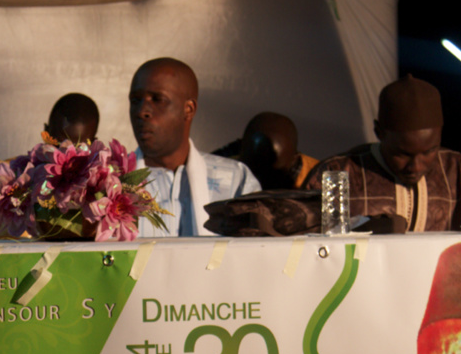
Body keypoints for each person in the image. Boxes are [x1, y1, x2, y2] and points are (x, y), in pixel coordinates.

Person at [304, 75, 461, 232]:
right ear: (379, 132)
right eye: (402, 154)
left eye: (429, 151)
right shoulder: (336, 174)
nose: (415, 166)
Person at [128, 57, 259, 237]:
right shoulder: (110, 183)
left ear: (188, 109)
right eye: (135, 100)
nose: (142, 111)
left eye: (158, 99)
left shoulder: (236, 181)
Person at [214, 112, 318, 190]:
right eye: (252, 169)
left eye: (270, 174)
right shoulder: (221, 165)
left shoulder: (321, 185)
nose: (257, 180)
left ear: (294, 159)